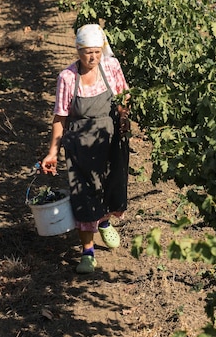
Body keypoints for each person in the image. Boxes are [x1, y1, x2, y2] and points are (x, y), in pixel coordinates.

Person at [41, 24, 131, 274]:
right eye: (87, 52)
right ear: (78, 50)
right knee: (83, 193)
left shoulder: (111, 67)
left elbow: (124, 96)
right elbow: (60, 118)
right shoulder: (68, 78)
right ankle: (88, 251)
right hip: (79, 142)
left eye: (96, 52)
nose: (92, 57)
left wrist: (124, 116)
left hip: (110, 136)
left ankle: (103, 222)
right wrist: (53, 152)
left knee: (111, 183)